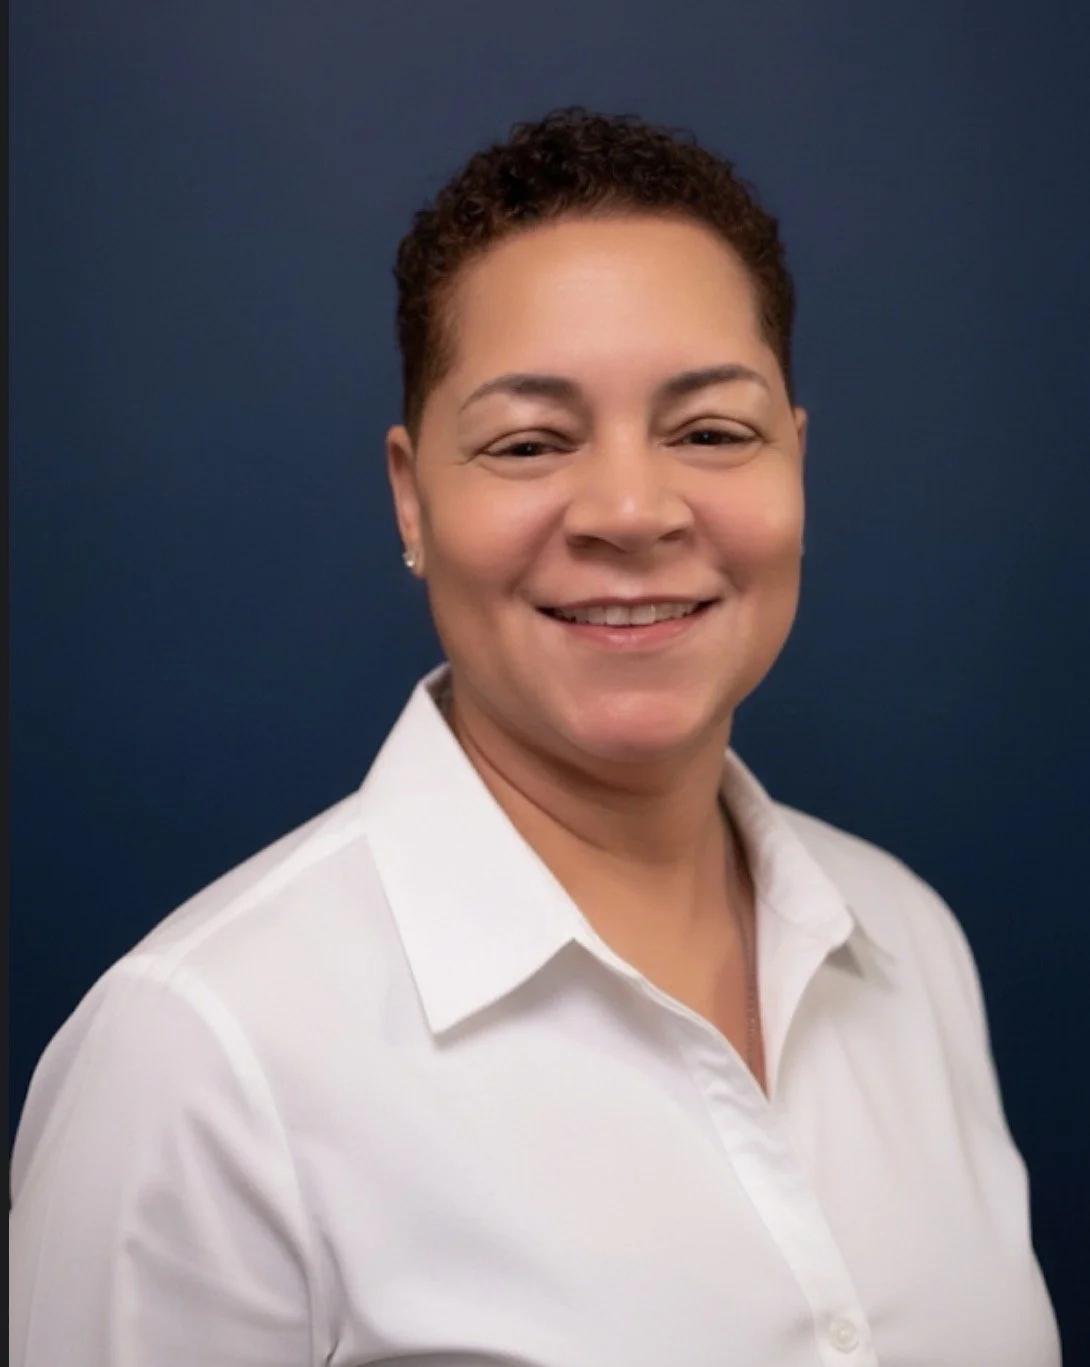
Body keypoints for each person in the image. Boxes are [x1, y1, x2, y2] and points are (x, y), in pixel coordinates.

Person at [10, 109, 1061, 1366]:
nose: (630, 509)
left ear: (796, 461)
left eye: (712, 431)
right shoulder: (197, 1058)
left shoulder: (908, 943)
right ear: (412, 496)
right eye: (528, 442)